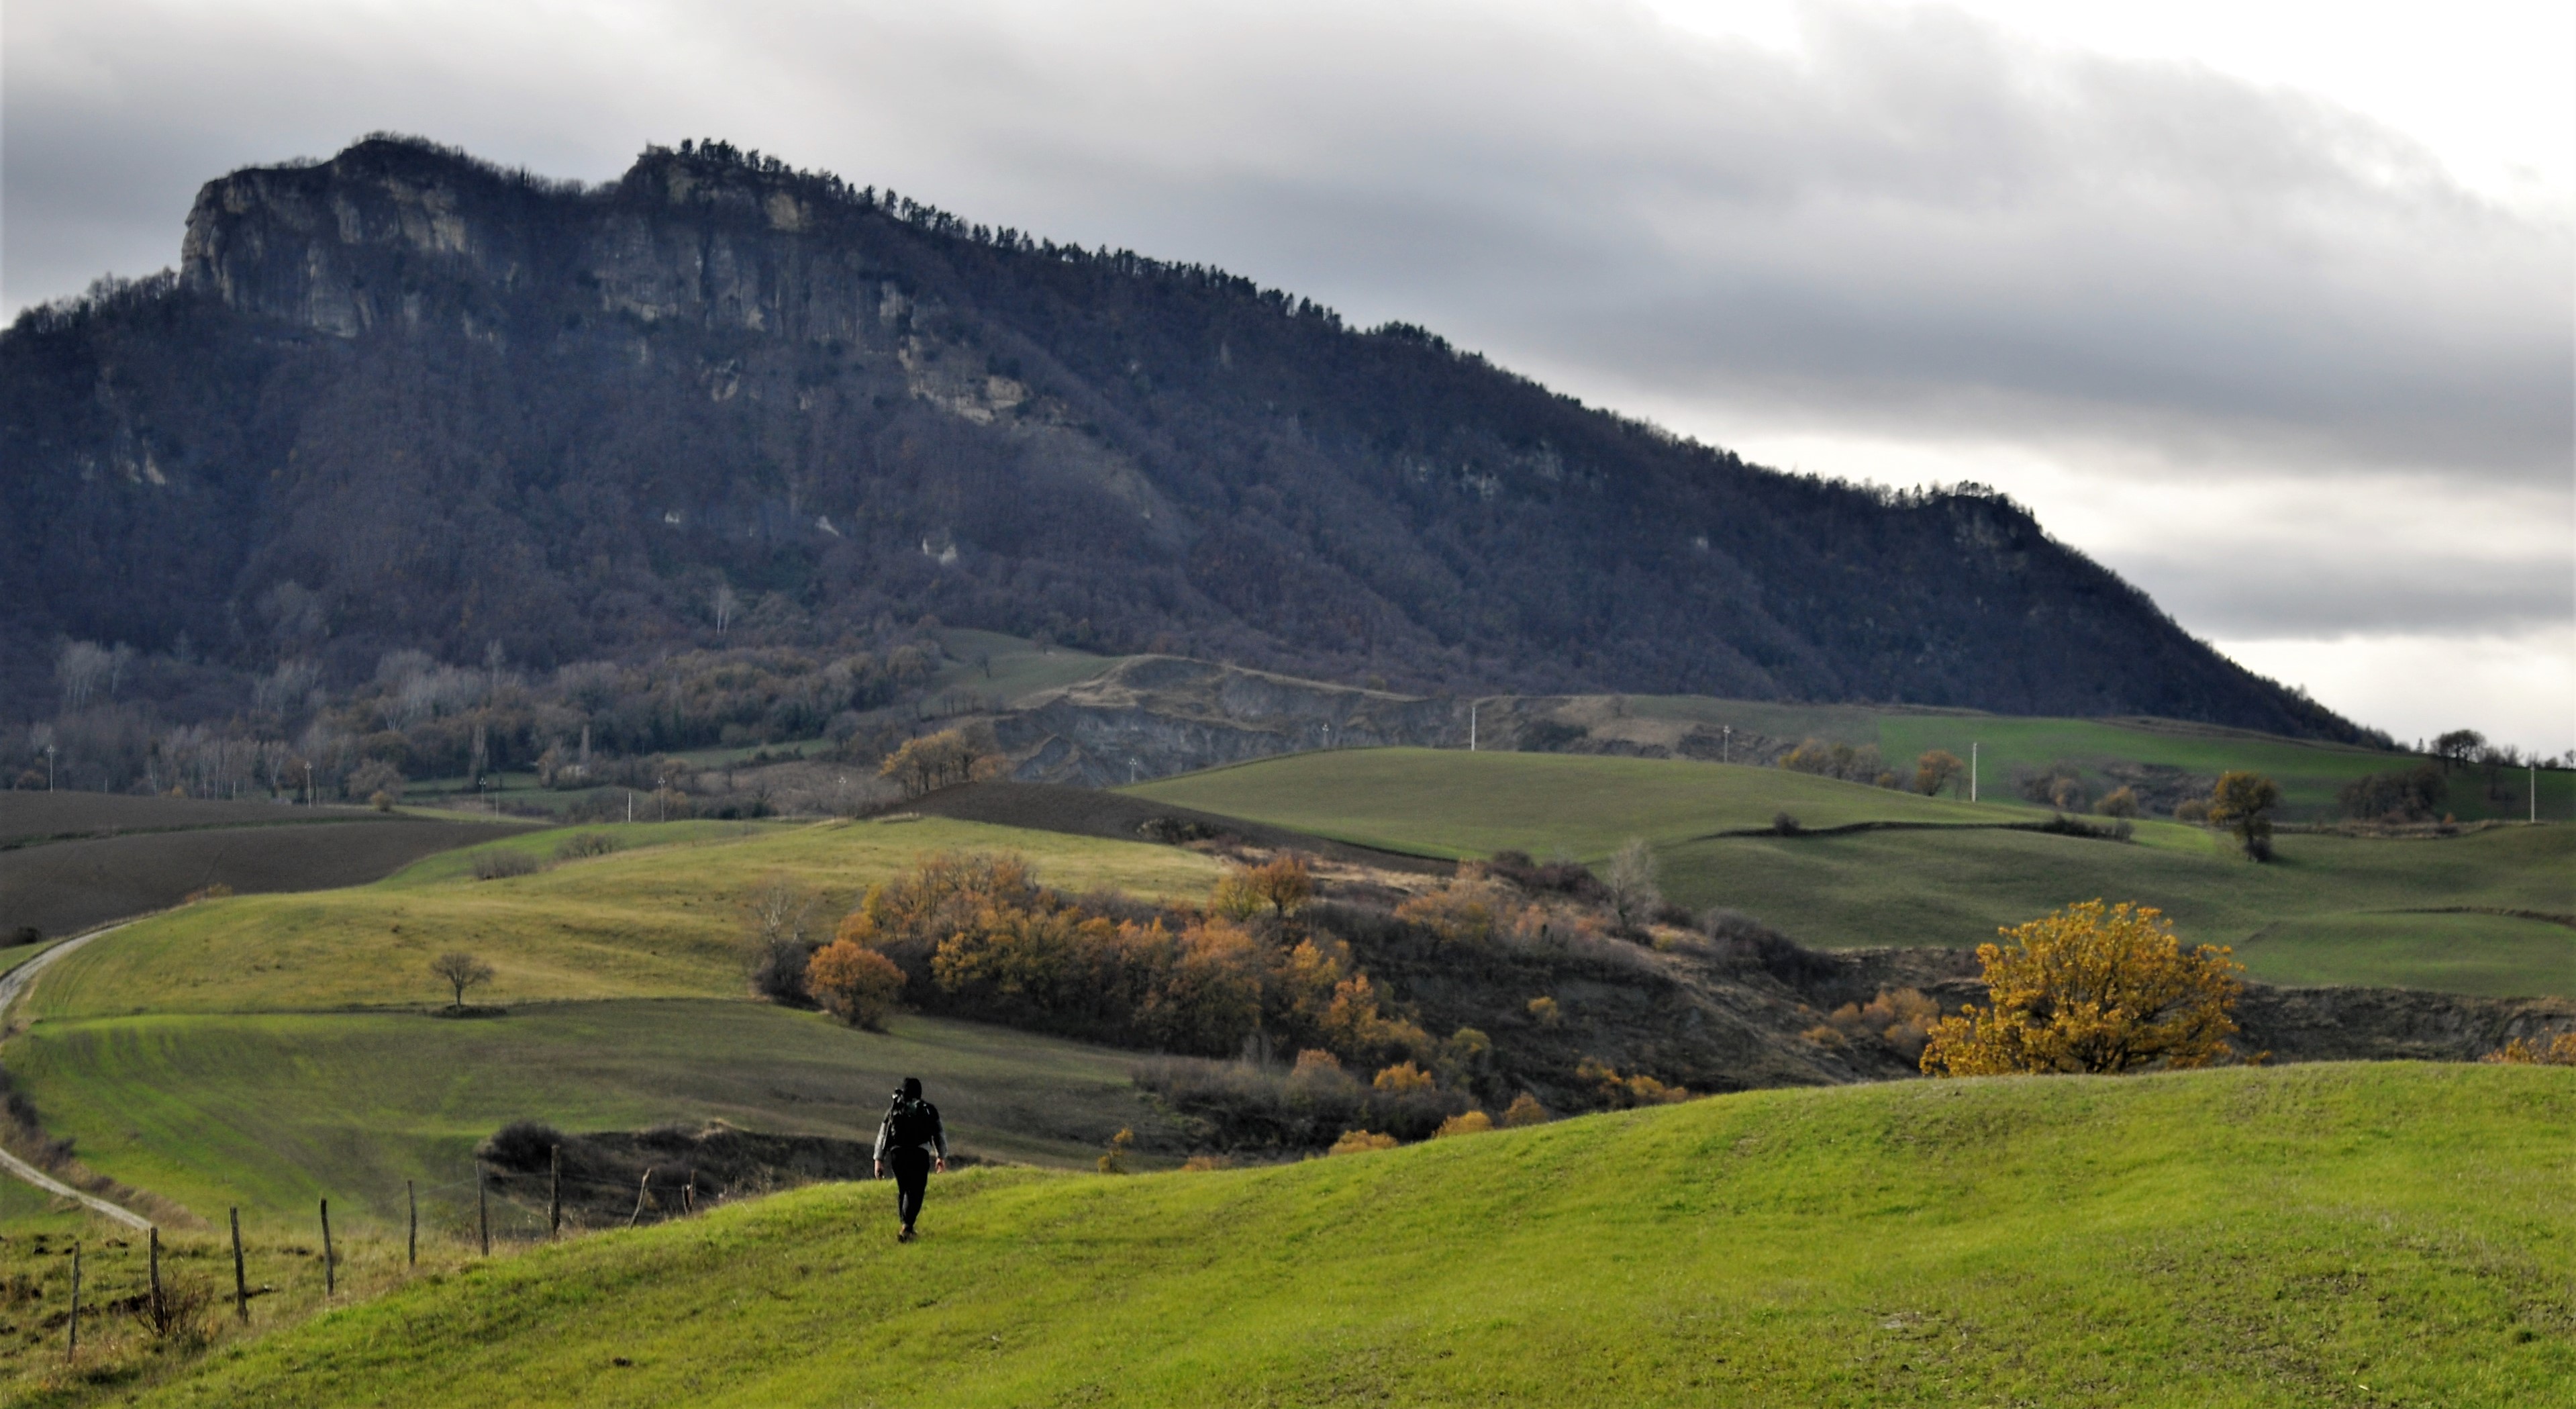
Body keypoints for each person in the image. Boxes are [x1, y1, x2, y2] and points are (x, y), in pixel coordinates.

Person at [873, 1076, 948, 1242]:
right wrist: (941, 1157)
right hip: (920, 1154)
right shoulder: (928, 1110)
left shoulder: (894, 1110)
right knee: (916, 1190)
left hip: (898, 1154)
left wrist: (879, 1160)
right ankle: (907, 1227)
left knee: (904, 1189)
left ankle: (906, 1225)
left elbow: (882, 1136)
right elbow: (939, 1135)